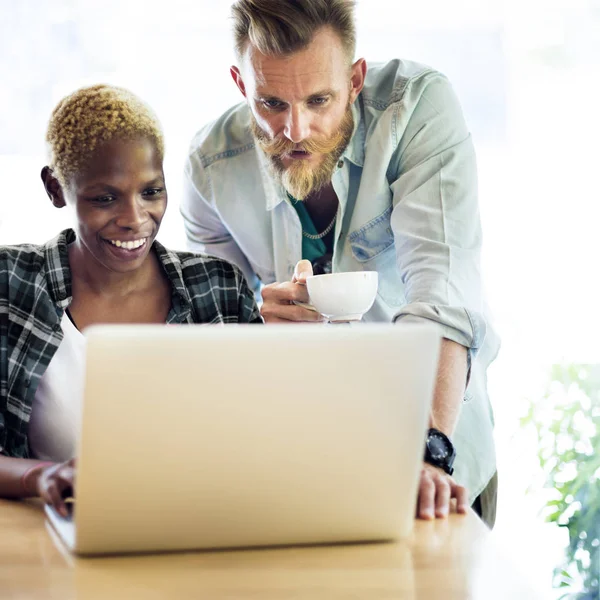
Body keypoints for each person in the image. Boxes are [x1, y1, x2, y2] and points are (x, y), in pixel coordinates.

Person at [181, 0, 500, 527]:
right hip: (298, 466)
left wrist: (426, 454)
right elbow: (214, 337)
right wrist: (256, 326)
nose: (296, 129)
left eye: (319, 100)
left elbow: (443, 300)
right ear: (241, 85)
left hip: (439, 449)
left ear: (355, 80)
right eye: (272, 103)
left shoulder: (417, 109)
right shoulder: (208, 169)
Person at [0, 84, 262, 517]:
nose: (135, 219)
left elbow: (267, 433)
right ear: (56, 188)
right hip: (53, 541)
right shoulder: (11, 285)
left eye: (151, 191)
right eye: (105, 198)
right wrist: (40, 476)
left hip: (200, 530)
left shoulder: (219, 288)